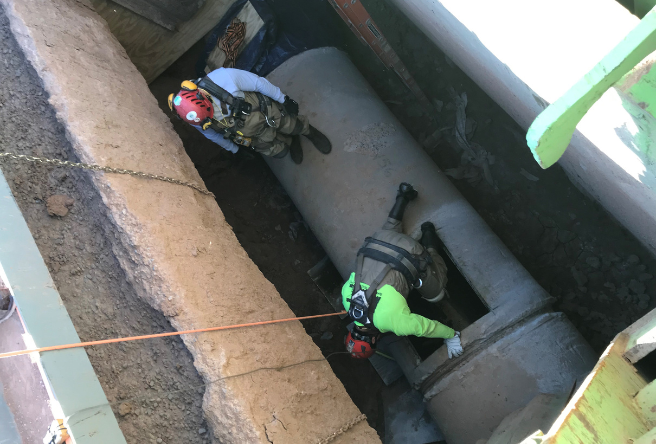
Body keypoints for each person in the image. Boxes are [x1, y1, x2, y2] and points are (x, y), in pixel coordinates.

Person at [342, 183, 464, 359]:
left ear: (374, 340)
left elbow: (425, 327)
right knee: (388, 234)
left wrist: (451, 336)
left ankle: (429, 234)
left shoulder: (396, 323)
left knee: (436, 293)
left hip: (409, 250)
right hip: (379, 240)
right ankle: (403, 195)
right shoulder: (347, 298)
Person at [168, 67, 331, 164]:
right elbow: (211, 133)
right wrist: (234, 149)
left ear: (202, 96)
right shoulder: (191, 114)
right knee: (280, 152)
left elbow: (258, 83)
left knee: (289, 124)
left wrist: (283, 99)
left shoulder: (223, 78)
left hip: (262, 112)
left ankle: (308, 131)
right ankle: (291, 140)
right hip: (247, 132)